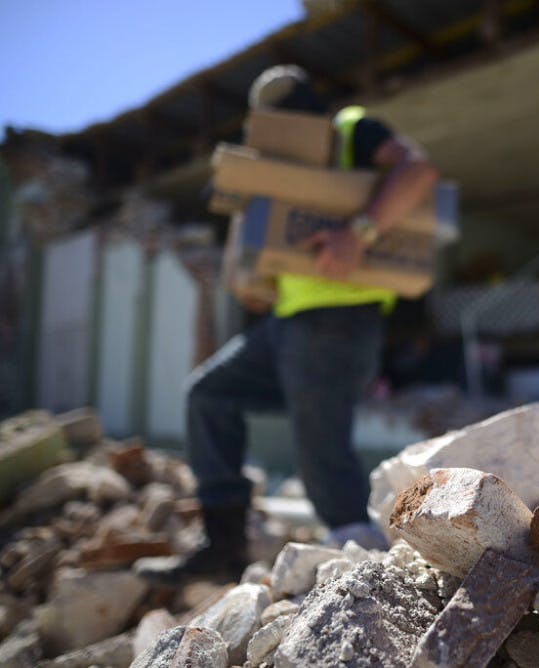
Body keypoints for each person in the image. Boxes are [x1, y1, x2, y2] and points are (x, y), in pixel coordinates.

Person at [138, 65, 439, 583]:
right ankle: (225, 544)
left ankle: (362, 567)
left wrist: (360, 232)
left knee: (317, 438)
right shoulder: (274, 163)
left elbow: (417, 172)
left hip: (342, 317)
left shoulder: (351, 128)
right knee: (208, 394)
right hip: (288, 320)